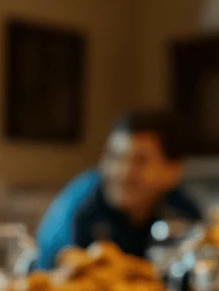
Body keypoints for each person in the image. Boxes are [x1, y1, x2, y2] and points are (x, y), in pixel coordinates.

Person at [35, 111, 202, 269]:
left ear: (173, 171)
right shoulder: (81, 204)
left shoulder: (182, 215)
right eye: (115, 157)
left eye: (140, 161)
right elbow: (54, 263)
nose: (123, 173)